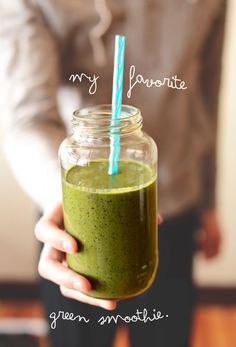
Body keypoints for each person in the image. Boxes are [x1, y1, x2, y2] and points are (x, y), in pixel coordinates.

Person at [0, 0, 225, 346]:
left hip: (173, 210)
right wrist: (59, 200)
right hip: (73, 222)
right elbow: (29, 117)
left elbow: (206, 96)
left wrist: (208, 200)